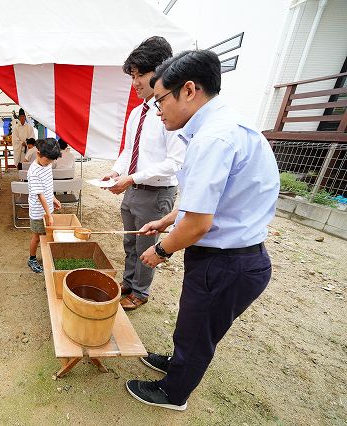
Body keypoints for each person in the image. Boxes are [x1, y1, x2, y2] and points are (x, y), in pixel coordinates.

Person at [125, 50, 279, 411]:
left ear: (189, 90)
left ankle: (173, 393)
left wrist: (160, 250)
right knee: (193, 320)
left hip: (228, 261)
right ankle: (176, 363)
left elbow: (198, 223)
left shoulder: (214, 138)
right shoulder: (221, 127)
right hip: (227, 258)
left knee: (199, 331)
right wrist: (166, 220)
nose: (157, 108)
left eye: (160, 98)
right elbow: (207, 200)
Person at [100, 36, 185, 310]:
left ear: (162, 72)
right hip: (134, 189)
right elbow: (128, 151)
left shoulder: (172, 112)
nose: (135, 82)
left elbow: (175, 162)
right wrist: (115, 172)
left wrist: (132, 178)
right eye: (133, 75)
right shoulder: (137, 113)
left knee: (145, 245)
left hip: (156, 192)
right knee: (129, 241)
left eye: (140, 75)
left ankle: (140, 291)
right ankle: (128, 282)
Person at [27, 138, 61, 273]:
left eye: (51, 161)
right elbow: (40, 196)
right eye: (47, 160)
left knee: (46, 235)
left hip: (47, 208)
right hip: (38, 211)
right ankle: (32, 259)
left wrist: (53, 197)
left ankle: (46, 257)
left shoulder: (47, 165)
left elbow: (47, 186)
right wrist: (48, 214)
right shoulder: (33, 172)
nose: (49, 163)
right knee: (37, 236)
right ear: (38, 154)